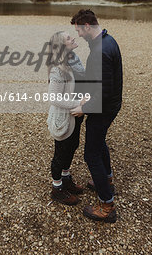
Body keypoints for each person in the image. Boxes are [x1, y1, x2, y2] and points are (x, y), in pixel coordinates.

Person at [70, 9, 123, 222]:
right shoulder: (107, 40)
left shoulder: (100, 50)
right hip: (108, 106)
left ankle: (107, 205)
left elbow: (105, 90)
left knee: (91, 154)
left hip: (104, 109)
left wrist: (85, 107)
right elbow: (100, 82)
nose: (79, 35)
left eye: (79, 30)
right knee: (100, 144)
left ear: (88, 26)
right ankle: (107, 180)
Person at [46, 31, 86, 205]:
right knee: (60, 153)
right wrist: (78, 103)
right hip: (64, 117)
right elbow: (53, 98)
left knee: (72, 146)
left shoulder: (74, 60)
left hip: (76, 114)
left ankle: (66, 178)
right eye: (69, 38)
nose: (73, 39)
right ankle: (57, 188)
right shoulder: (57, 68)